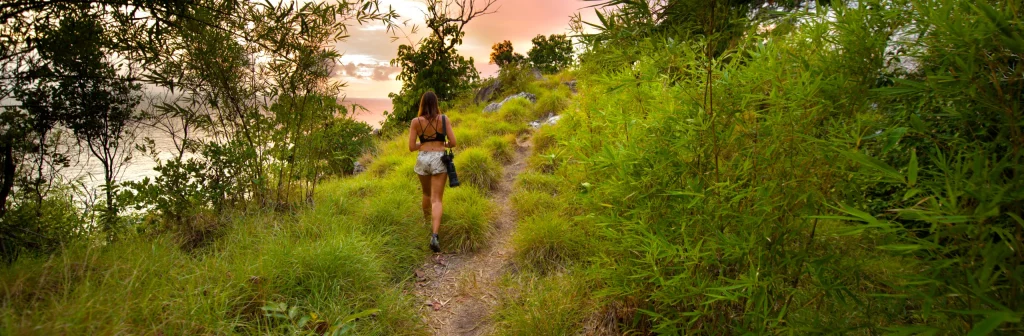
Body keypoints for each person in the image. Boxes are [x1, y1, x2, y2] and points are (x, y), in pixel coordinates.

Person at [408, 91, 457, 253]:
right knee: (437, 199)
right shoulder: (444, 119)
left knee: (426, 194)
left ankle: (426, 223)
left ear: (422, 104)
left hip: (422, 158)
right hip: (439, 158)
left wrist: (423, 145)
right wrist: (442, 144)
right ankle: (435, 235)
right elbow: (453, 142)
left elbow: (411, 147)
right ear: (436, 104)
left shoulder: (416, 122)